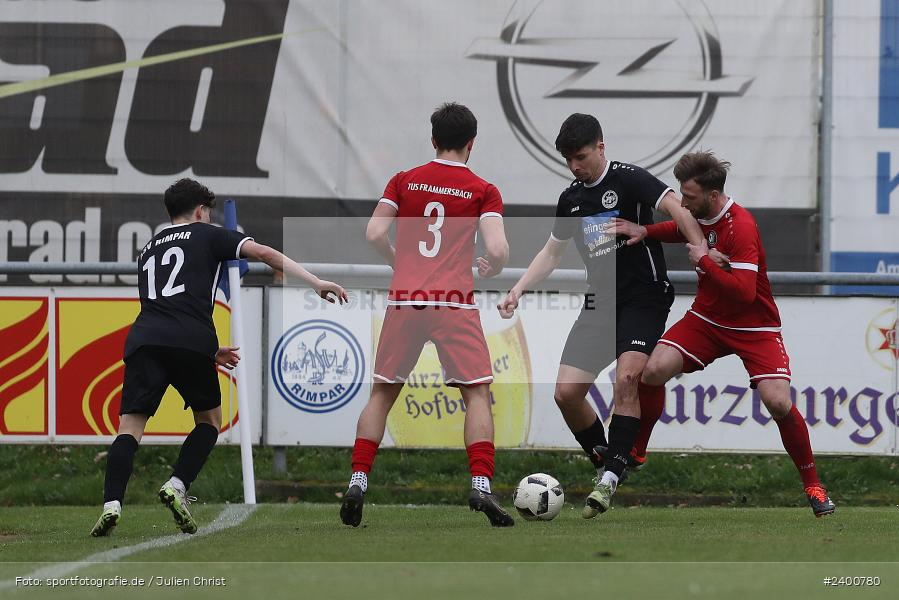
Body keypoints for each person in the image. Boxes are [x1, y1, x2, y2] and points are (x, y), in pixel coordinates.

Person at [91, 178, 347, 537]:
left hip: (145, 339)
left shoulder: (148, 248)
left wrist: (210, 352)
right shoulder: (209, 234)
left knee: (130, 428)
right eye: (207, 212)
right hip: (190, 338)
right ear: (200, 211)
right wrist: (316, 281)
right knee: (209, 422)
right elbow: (266, 254)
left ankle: (111, 504)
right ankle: (177, 485)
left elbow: (165, 304)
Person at [497, 113, 704, 519]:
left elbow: (677, 209)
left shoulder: (630, 179)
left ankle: (609, 480)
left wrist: (700, 248)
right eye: (568, 160)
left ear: (600, 146)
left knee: (628, 378)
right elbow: (552, 252)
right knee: (565, 393)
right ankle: (610, 460)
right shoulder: (571, 199)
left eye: (581, 156)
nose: (575, 166)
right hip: (600, 303)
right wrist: (519, 288)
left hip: (644, 298)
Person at [609, 150, 836, 517]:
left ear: (713, 196)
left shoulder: (741, 226)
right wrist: (645, 231)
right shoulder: (702, 215)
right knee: (651, 372)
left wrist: (703, 262)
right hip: (708, 320)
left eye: (690, 197)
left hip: (754, 326)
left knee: (778, 402)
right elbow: (683, 228)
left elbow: (744, 293)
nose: (682, 203)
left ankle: (813, 484)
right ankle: (638, 450)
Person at [340, 102, 514, 528]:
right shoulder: (483, 189)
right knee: (475, 394)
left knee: (382, 394)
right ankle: (480, 486)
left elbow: (375, 232)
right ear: (471, 143)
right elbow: (496, 250)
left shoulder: (404, 180)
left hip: (404, 300)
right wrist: (492, 265)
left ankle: (359, 480)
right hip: (453, 303)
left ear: (433, 140)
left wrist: (399, 261)